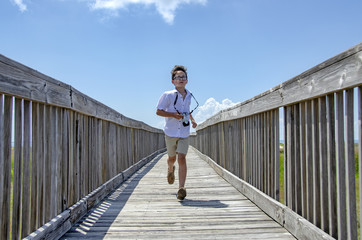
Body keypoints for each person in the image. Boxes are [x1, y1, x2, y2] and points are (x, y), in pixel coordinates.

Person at [156, 65, 198, 200]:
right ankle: (170, 169)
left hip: (185, 132)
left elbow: (187, 110)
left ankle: (181, 188)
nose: (180, 79)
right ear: (172, 81)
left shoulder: (190, 95)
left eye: (183, 77)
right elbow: (158, 111)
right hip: (171, 132)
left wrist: (192, 120)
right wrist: (173, 115)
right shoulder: (167, 95)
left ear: (187, 80)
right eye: (177, 77)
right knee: (172, 158)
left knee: (182, 158)